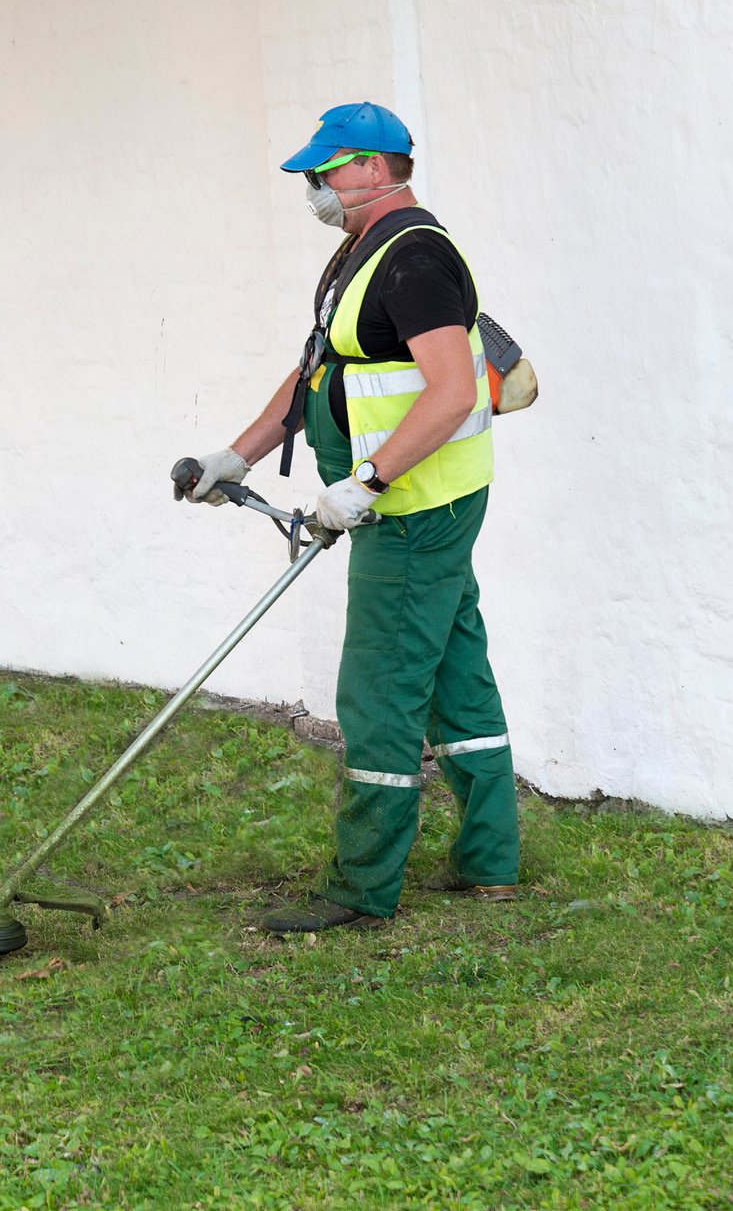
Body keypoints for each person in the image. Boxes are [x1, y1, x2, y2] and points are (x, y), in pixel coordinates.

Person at [179, 101, 518, 934]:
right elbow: (318, 374)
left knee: (377, 691)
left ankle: (361, 886)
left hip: (409, 509)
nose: (313, 186)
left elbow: (452, 390)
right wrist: (239, 456)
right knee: (453, 673)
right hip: (415, 504)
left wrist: (366, 482)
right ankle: (492, 862)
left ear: (372, 166)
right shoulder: (360, 254)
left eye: (323, 171)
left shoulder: (416, 260)